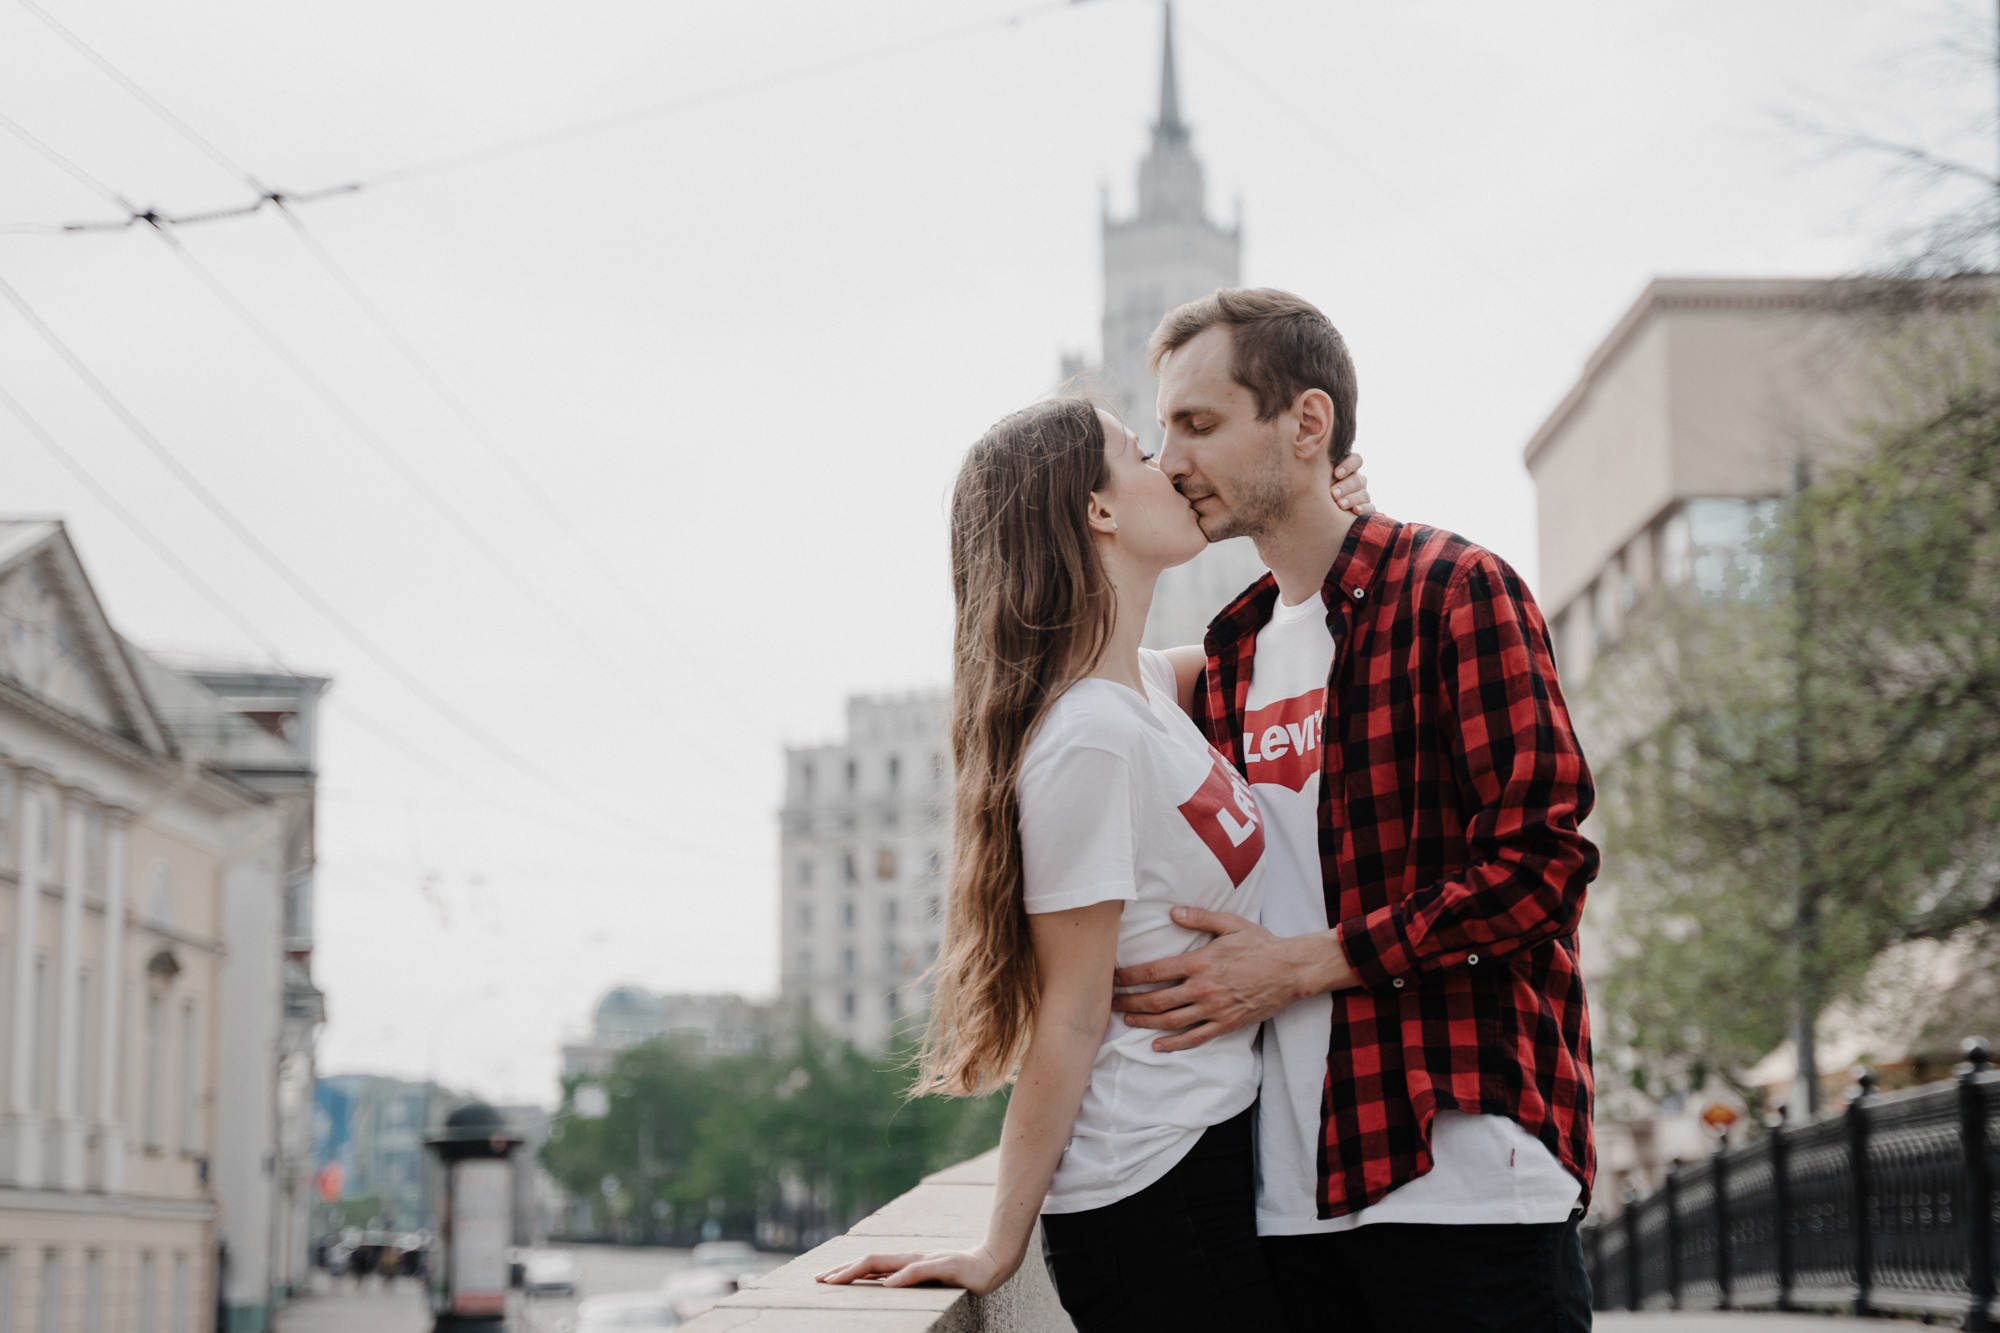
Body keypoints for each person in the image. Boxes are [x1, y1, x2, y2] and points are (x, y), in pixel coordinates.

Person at [815, 398, 1373, 1330]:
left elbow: (1302, 634)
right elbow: (1067, 1014)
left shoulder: (1146, 689)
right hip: (1149, 1187)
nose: (1175, 468)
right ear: (1098, 511)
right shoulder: (1089, 737)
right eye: (1142, 454)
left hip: (1209, 1150)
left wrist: (1327, 507)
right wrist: (999, 1240)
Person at [1109, 287, 1600, 1332]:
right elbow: (1073, 676)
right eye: (1158, 435)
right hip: (1290, 1198)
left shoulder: (1455, 591)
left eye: (1196, 424)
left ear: (1306, 422)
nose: (1169, 461)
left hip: (1463, 1177)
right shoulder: (1233, 649)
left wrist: (1299, 963)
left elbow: (1539, 870)